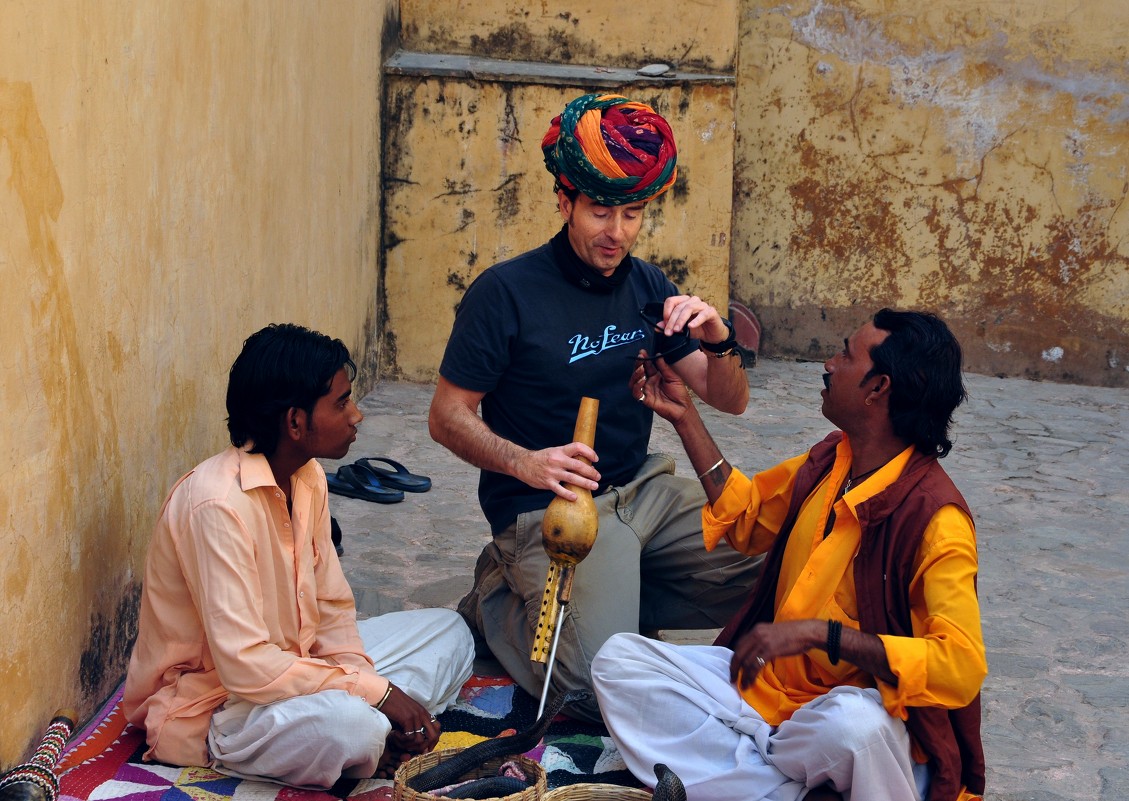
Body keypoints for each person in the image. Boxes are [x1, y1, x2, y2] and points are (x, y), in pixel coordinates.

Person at [428, 93, 762, 721]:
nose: (617, 233)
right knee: (590, 693)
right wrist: (529, 464)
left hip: (644, 493)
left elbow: (728, 399)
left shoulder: (648, 286)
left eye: (632, 214)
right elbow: (446, 416)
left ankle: (616, 597)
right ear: (565, 202)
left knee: (786, 571)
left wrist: (718, 337)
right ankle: (499, 598)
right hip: (552, 510)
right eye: (601, 212)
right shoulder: (504, 293)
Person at [591, 309, 987, 801]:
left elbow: (962, 665)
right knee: (619, 662)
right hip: (763, 695)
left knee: (855, 729)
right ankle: (792, 789)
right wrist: (684, 415)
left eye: (844, 353)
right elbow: (747, 519)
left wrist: (824, 636)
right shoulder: (833, 460)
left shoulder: (936, 519)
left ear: (878, 388)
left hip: (840, 720)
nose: (829, 363)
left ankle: (749, 772)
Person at [124, 324, 474, 788]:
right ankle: (366, 738)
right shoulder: (216, 505)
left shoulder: (308, 478)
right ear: (295, 422)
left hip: (299, 669)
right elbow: (246, 667)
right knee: (355, 727)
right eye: (341, 402)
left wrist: (369, 686)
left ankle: (370, 732)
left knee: (449, 632)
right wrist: (379, 696)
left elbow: (331, 611)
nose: (357, 415)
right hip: (220, 704)